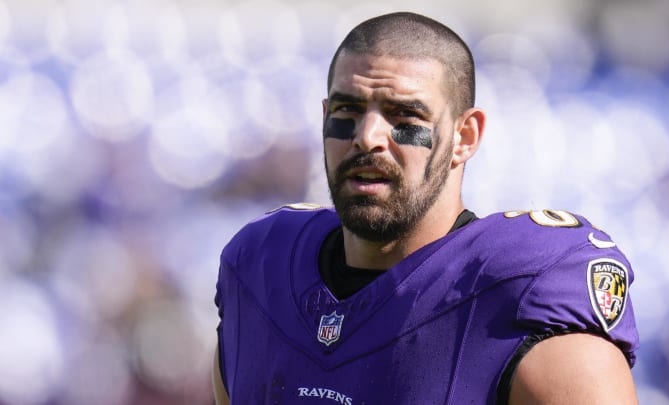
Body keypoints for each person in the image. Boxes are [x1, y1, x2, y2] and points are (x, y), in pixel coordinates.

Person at [213, 11, 639, 405]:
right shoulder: (262, 268)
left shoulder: (521, 290)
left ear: (465, 136)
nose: (368, 137)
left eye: (404, 116)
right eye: (348, 110)